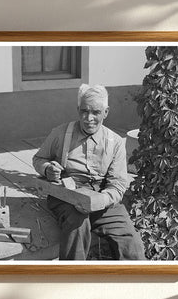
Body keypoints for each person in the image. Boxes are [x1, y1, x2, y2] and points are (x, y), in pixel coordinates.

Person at [32, 84, 145, 261]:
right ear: (78, 109)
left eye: (96, 112)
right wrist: (48, 170)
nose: (89, 118)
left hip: (102, 197)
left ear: (106, 112)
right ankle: (73, 281)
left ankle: (133, 285)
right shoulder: (60, 134)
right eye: (84, 111)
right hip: (67, 196)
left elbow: (119, 183)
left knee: (131, 242)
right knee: (78, 226)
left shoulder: (115, 142)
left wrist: (103, 199)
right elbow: (39, 159)